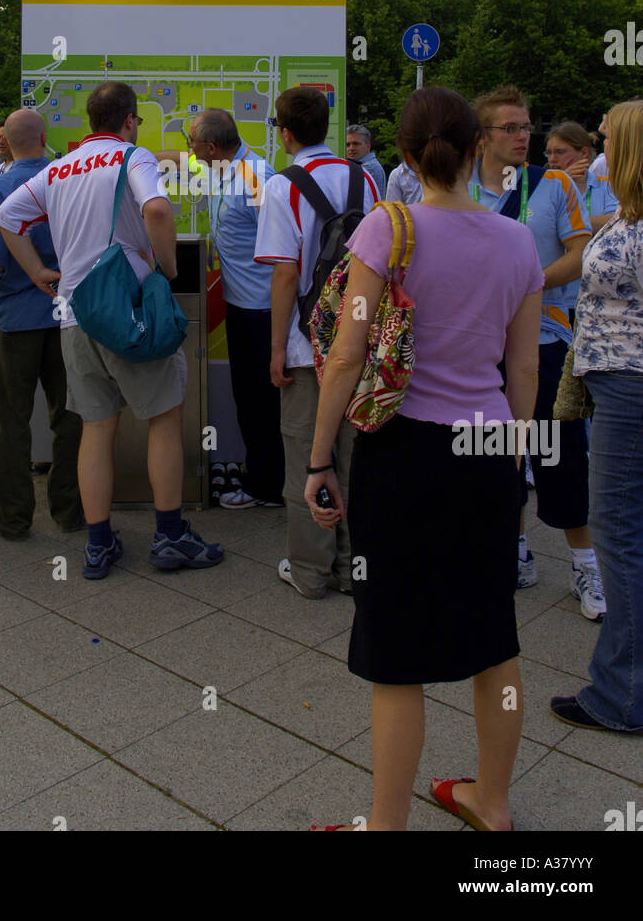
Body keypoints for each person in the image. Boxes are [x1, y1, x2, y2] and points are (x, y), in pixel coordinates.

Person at [306, 87, 542, 831]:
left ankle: (384, 827)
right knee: (492, 637)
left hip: (402, 450)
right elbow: (525, 366)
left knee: (394, 649)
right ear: (477, 148)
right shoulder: (517, 241)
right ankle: (492, 804)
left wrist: (318, 462)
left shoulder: (388, 227)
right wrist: (514, 454)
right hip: (486, 451)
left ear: (404, 155)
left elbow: (347, 353)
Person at [0, 81, 223, 579]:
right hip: (131, 311)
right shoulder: (132, 158)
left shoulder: (59, 168)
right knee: (163, 419)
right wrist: (164, 268)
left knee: (95, 429)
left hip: (75, 314)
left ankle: (97, 546)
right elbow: (157, 209)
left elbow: (6, 219)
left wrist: (37, 273)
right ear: (130, 120)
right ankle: (169, 536)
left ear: (90, 121)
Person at [470, 87, 604, 617]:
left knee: (560, 454)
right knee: (497, 453)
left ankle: (587, 568)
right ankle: (515, 550)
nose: (524, 137)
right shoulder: (458, 188)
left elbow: (581, 253)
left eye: (527, 127)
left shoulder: (553, 186)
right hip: (482, 349)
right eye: (511, 129)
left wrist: (528, 285)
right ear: (482, 138)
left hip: (546, 344)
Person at [255, 87, 379, 598]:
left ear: (284, 132)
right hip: (358, 342)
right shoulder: (366, 178)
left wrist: (278, 347)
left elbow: (284, 276)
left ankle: (310, 570)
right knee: (353, 457)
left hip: (308, 349)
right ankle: (355, 567)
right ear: (327, 127)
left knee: (307, 453)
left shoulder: (281, 187)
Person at [552, 100, 643, 733]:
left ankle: (622, 695)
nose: (596, 151)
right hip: (612, 381)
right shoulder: (624, 212)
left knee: (619, 532)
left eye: (607, 138)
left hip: (630, 386)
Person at [0, 109, 83, 538]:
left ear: (8, 142)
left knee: (10, 419)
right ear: (44, 137)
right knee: (71, 414)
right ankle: (70, 510)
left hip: (15, 317)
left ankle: (11, 515)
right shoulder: (68, 179)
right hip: (66, 316)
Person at [187, 108, 284, 509]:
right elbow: (178, 163)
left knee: (263, 401)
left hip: (262, 312)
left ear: (212, 147)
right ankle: (263, 475)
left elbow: (285, 250)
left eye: (192, 143)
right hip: (241, 307)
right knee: (249, 397)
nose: (188, 152)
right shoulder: (225, 168)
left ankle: (270, 487)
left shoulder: (257, 178)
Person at [545, 121, 617, 235]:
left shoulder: (606, 186)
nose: (552, 159)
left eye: (560, 152)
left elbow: (615, 222)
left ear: (584, 153)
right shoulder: (543, 185)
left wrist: (562, 221)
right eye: (549, 153)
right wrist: (561, 181)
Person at [345, 124, 386, 197]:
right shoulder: (360, 166)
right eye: (348, 145)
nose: (351, 148)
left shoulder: (369, 168)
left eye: (356, 144)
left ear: (368, 146)